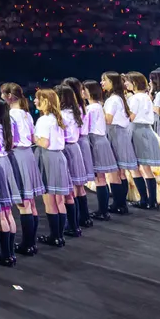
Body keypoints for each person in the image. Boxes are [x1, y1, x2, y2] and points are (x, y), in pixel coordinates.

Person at [3, 83, 43, 255]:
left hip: (18, 155)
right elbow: (33, 136)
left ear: (9, 97)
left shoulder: (11, 115)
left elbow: (10, 140)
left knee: (24, 204)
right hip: (28, 154)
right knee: (31, 202)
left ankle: (27, 244)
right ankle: (31, 242)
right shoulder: (27, 114)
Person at [31, 88, 72, 247]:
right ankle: (59, 236)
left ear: (46, 101)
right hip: (59, 157)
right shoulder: (58, 117)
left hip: (48, 158)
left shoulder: (44, 120)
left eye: (37, 98)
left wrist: (33, 137)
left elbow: (44, 143)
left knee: (49, 201)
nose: (34, 101)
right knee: (59, 200)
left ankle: (54, 236)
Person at [0, 95, 21, 266]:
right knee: (8, 212)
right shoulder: (5, 126)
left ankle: (5, 254)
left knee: (0, 214)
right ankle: (10, 252)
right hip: (6, 161)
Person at [124, 72, 160, 210]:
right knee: (146, 168)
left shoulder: (135, 98)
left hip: (136, 130)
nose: (125, 84)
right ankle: (152, 201)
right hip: (146, 130)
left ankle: (144, 199)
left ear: (134, 82)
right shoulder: (146, 97)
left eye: (128, 81)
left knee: (135, 167)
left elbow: (131, 117)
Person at [55, 84, 90, 236]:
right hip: (75, 147)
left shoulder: (62, 114)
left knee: (69, 190)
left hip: (67, 149)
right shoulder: (76, 110)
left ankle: (73, 224)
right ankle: (83, 218)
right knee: (78, 186)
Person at [101, 71, 137, 214]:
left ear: (112, 82)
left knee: (115, 172)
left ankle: (119, 203)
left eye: (105, 80)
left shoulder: (113, 99)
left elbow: (108, 120)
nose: (102, 83)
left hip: (114, 133)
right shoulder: (118, 98)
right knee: (120, 172)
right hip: (119, 133)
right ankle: (121, 204)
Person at [81, 80, 117, 221]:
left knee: (99, 178)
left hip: (95, 141)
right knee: (100, 178)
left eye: (84, 89)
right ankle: (103, 210)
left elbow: (85, 128)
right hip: (99, 140)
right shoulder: (97, 106)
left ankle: (102, 211)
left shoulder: (91, 108)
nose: (82, 92)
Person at [63, 77, 96, 229]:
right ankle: (85, 217)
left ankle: (75, 220)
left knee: (74, 184)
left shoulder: (70, 109)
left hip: (75, 143)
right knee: (80, 184)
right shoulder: (81, 106)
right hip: (82, 142)